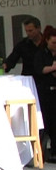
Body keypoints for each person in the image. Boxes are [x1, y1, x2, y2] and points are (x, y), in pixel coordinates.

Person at [35, 26, 56, 161]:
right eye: (53, 42)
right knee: (46, 123)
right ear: (47, 40)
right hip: (45, 92)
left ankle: (54, 152)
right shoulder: (41, 54)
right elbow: (39, 69)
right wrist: (52, 68)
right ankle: (42, 153)